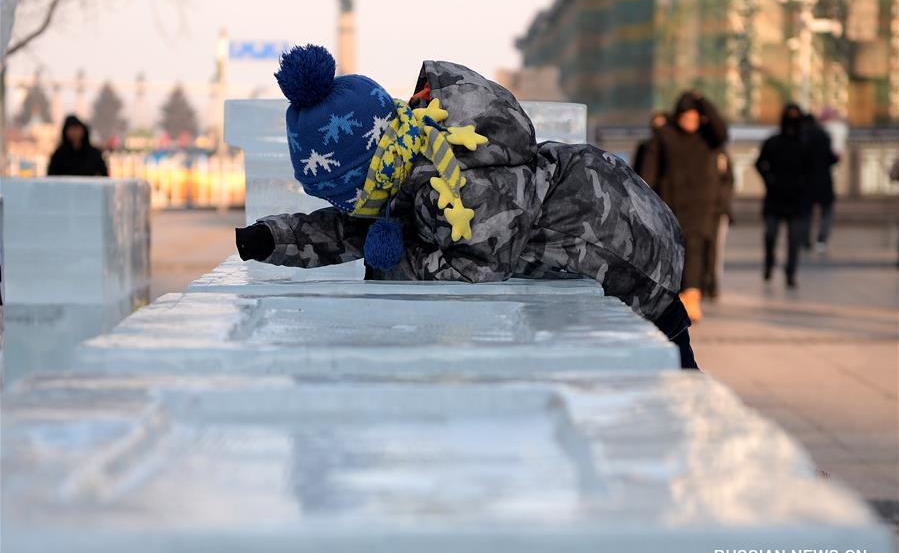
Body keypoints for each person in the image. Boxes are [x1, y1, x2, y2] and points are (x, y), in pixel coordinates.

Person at [235, 45, 699, 369]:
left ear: (369, 167)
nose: (345, 206)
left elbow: (474, 268)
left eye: (343, 192)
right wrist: (275, 237)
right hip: (606, 242)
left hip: (632, 269)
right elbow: (352, 229)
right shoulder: (409, 163)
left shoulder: (463, 185)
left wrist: (391, 265)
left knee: (665, 401)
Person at [639, 91, 728, 323]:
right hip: (671, 205)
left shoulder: (708, 137)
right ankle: (675, 297)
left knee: (695, 250)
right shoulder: (664, 136)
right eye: (687, 117)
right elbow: (649, 171)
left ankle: (692, 298)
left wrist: (703, 101)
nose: (691, 122)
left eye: (695, 118)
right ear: (678, 117)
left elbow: (722, 130)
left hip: (700, 207)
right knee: (671, 252)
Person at [755, 103, 811, 288]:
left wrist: (804, 185)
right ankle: (769, 265)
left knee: (794, 239)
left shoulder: (805, 143)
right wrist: (769, 180)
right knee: (770, 235)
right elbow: (759, 163)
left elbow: (813, 169)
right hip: (775, 197)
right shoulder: (774, 142)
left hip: (797, 199)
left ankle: (790, 273)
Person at [802, 112, 839, 253]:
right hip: (823, 180)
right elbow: (831, 157)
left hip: (806, 182)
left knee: (805, 212)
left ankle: (804, 240)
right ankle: (821, 240)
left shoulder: (801, 137)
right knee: (827, 211)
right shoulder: (823, 135)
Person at [703, 149, 734, 299]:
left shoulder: (721, 154)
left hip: (717, 209)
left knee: (715, 246)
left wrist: (722, 202)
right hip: (697, 209)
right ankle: (698, 282)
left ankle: (712, 280)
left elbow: (728, 180)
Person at [631, 111, 666, 179]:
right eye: (655, 127)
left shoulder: (675, 148)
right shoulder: (643, 148)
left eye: (662, 127)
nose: (658, 131)